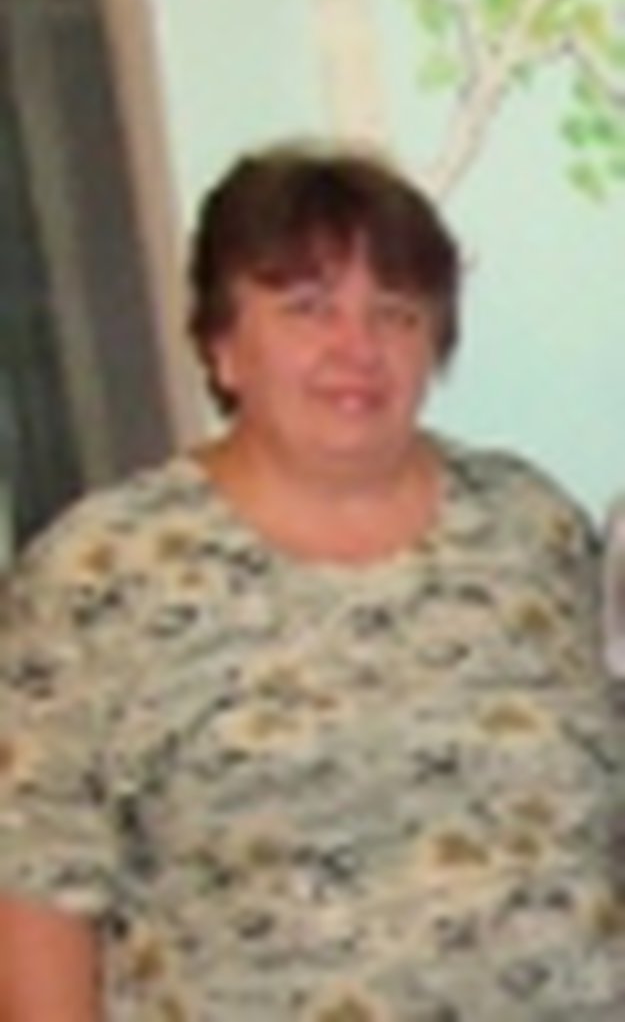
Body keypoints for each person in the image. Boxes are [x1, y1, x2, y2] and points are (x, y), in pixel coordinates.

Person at [0, 142, 622, 1022]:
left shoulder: (532, 525)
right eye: (307, 308)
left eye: (395, 313)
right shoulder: (102, 571)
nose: (355, 348)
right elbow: (34, 889)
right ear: (222, 344)